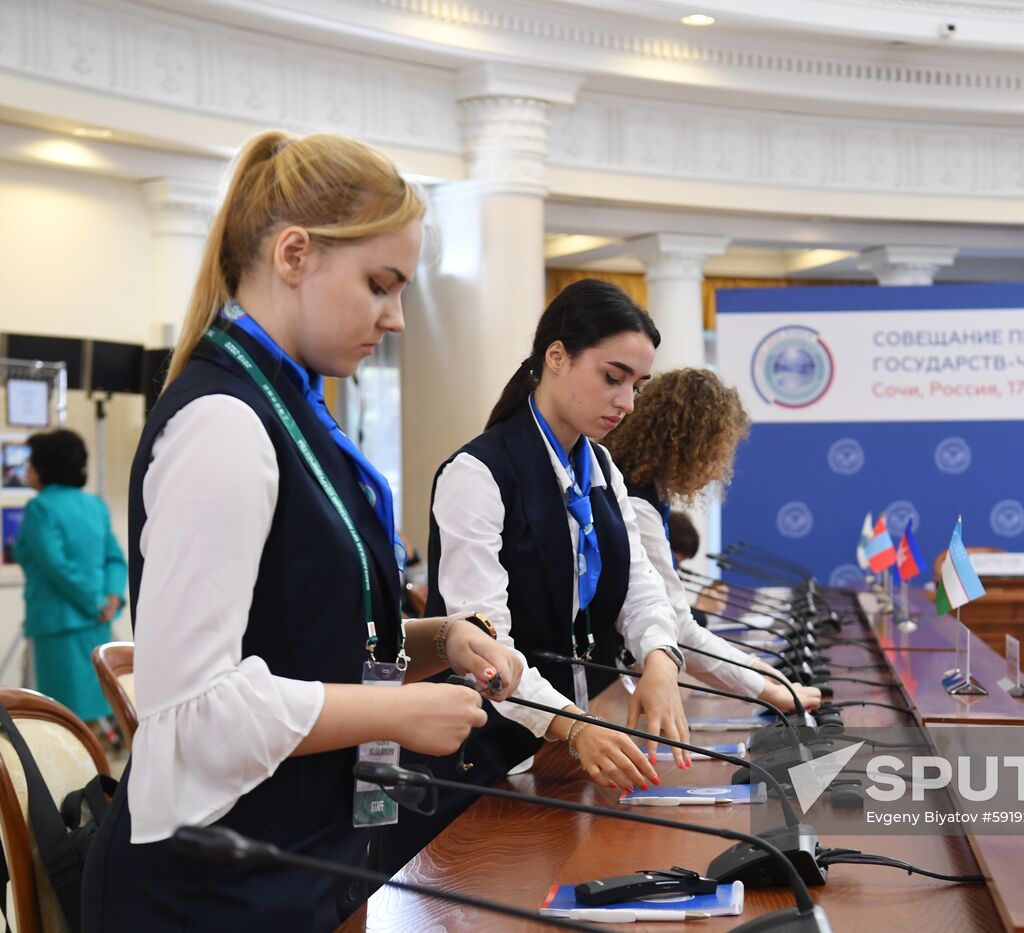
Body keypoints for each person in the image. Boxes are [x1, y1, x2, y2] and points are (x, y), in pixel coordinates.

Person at [82, 131, 521, 931]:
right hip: (209, 887)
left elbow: (306, 637)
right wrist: (393, 712)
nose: (394, 319)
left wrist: (442, 637)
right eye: (379, 285)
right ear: (293, 255)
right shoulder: (225, 421)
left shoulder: (293, 414)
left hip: (297, 861)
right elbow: (193, 711)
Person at [376, 280, 692, 874]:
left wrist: (660, 659)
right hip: (483, 765)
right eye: (613, 376)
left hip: (562, 761)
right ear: (556, 356)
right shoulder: (477, 473)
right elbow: (486, 650)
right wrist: (572, 728)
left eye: (637, 386)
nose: (626, 402)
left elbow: (640, 586)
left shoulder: (602, 468)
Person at [605, 367, 822, 712]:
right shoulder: (634, 503)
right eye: (718, 451)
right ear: (689, 443)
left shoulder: (645, 493)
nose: (720, 469)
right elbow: (679, 631)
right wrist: (770, 691)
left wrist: (761, 674)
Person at [12, 429, 126, 724]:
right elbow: (114, 557)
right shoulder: (95, 506)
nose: (27, 470)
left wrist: (95, 602)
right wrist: (110, 598)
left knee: (61, 717)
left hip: (58, 626)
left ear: (45, 467)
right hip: (97, 626)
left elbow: (56, 566)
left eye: (31, 463)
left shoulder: (40, 508)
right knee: (93, 712)